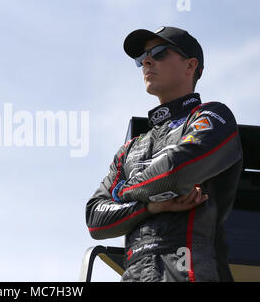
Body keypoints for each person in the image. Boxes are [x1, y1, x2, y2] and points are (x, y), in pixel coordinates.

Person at [85, 26, 243, 282]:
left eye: (158, 52)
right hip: (134, 274)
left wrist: (124, 192)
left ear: (190, 66)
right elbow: (95, 219)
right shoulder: (130, 148)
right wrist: (149, 206)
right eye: (141, 58)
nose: (146, 61)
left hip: (191, 269)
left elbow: (175, 170)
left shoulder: (212, 116)